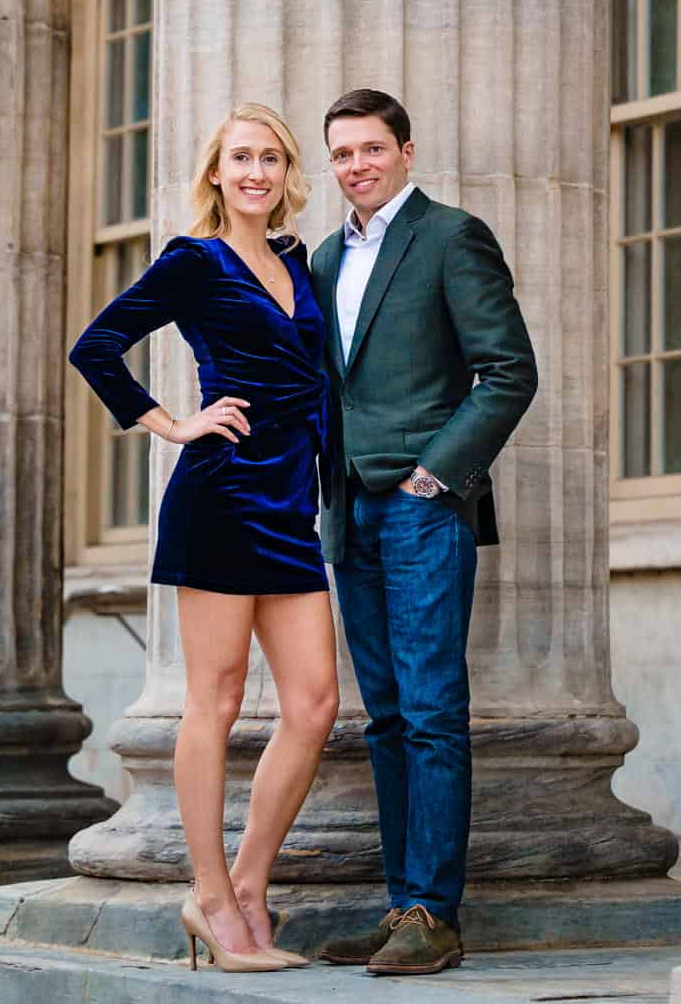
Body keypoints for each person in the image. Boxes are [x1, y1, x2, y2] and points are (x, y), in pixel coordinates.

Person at [69, 103, 337, 976]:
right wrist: (172, 424)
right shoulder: (194, 260)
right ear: (215, 174)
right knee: (214, 704)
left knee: (313, 705)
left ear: (286, 172)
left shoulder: (299, 261)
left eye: (269, 158)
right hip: (221, 496)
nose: (255, 172)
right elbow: (97, 346)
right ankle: (211, 897)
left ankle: (249, 887)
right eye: (239, 159)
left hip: (291, 504)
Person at [310, 89, 538, 977]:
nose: (357, 165)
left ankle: (436, 915)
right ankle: (401, 903)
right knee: (387, 716)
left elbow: (506, 370)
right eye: (341, 153)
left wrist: (434, 475)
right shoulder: (326, 258)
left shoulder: (451, 237)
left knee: (434, 709)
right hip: (348, 509)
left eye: (371, 148)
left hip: (420, 504)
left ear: (405, 151)